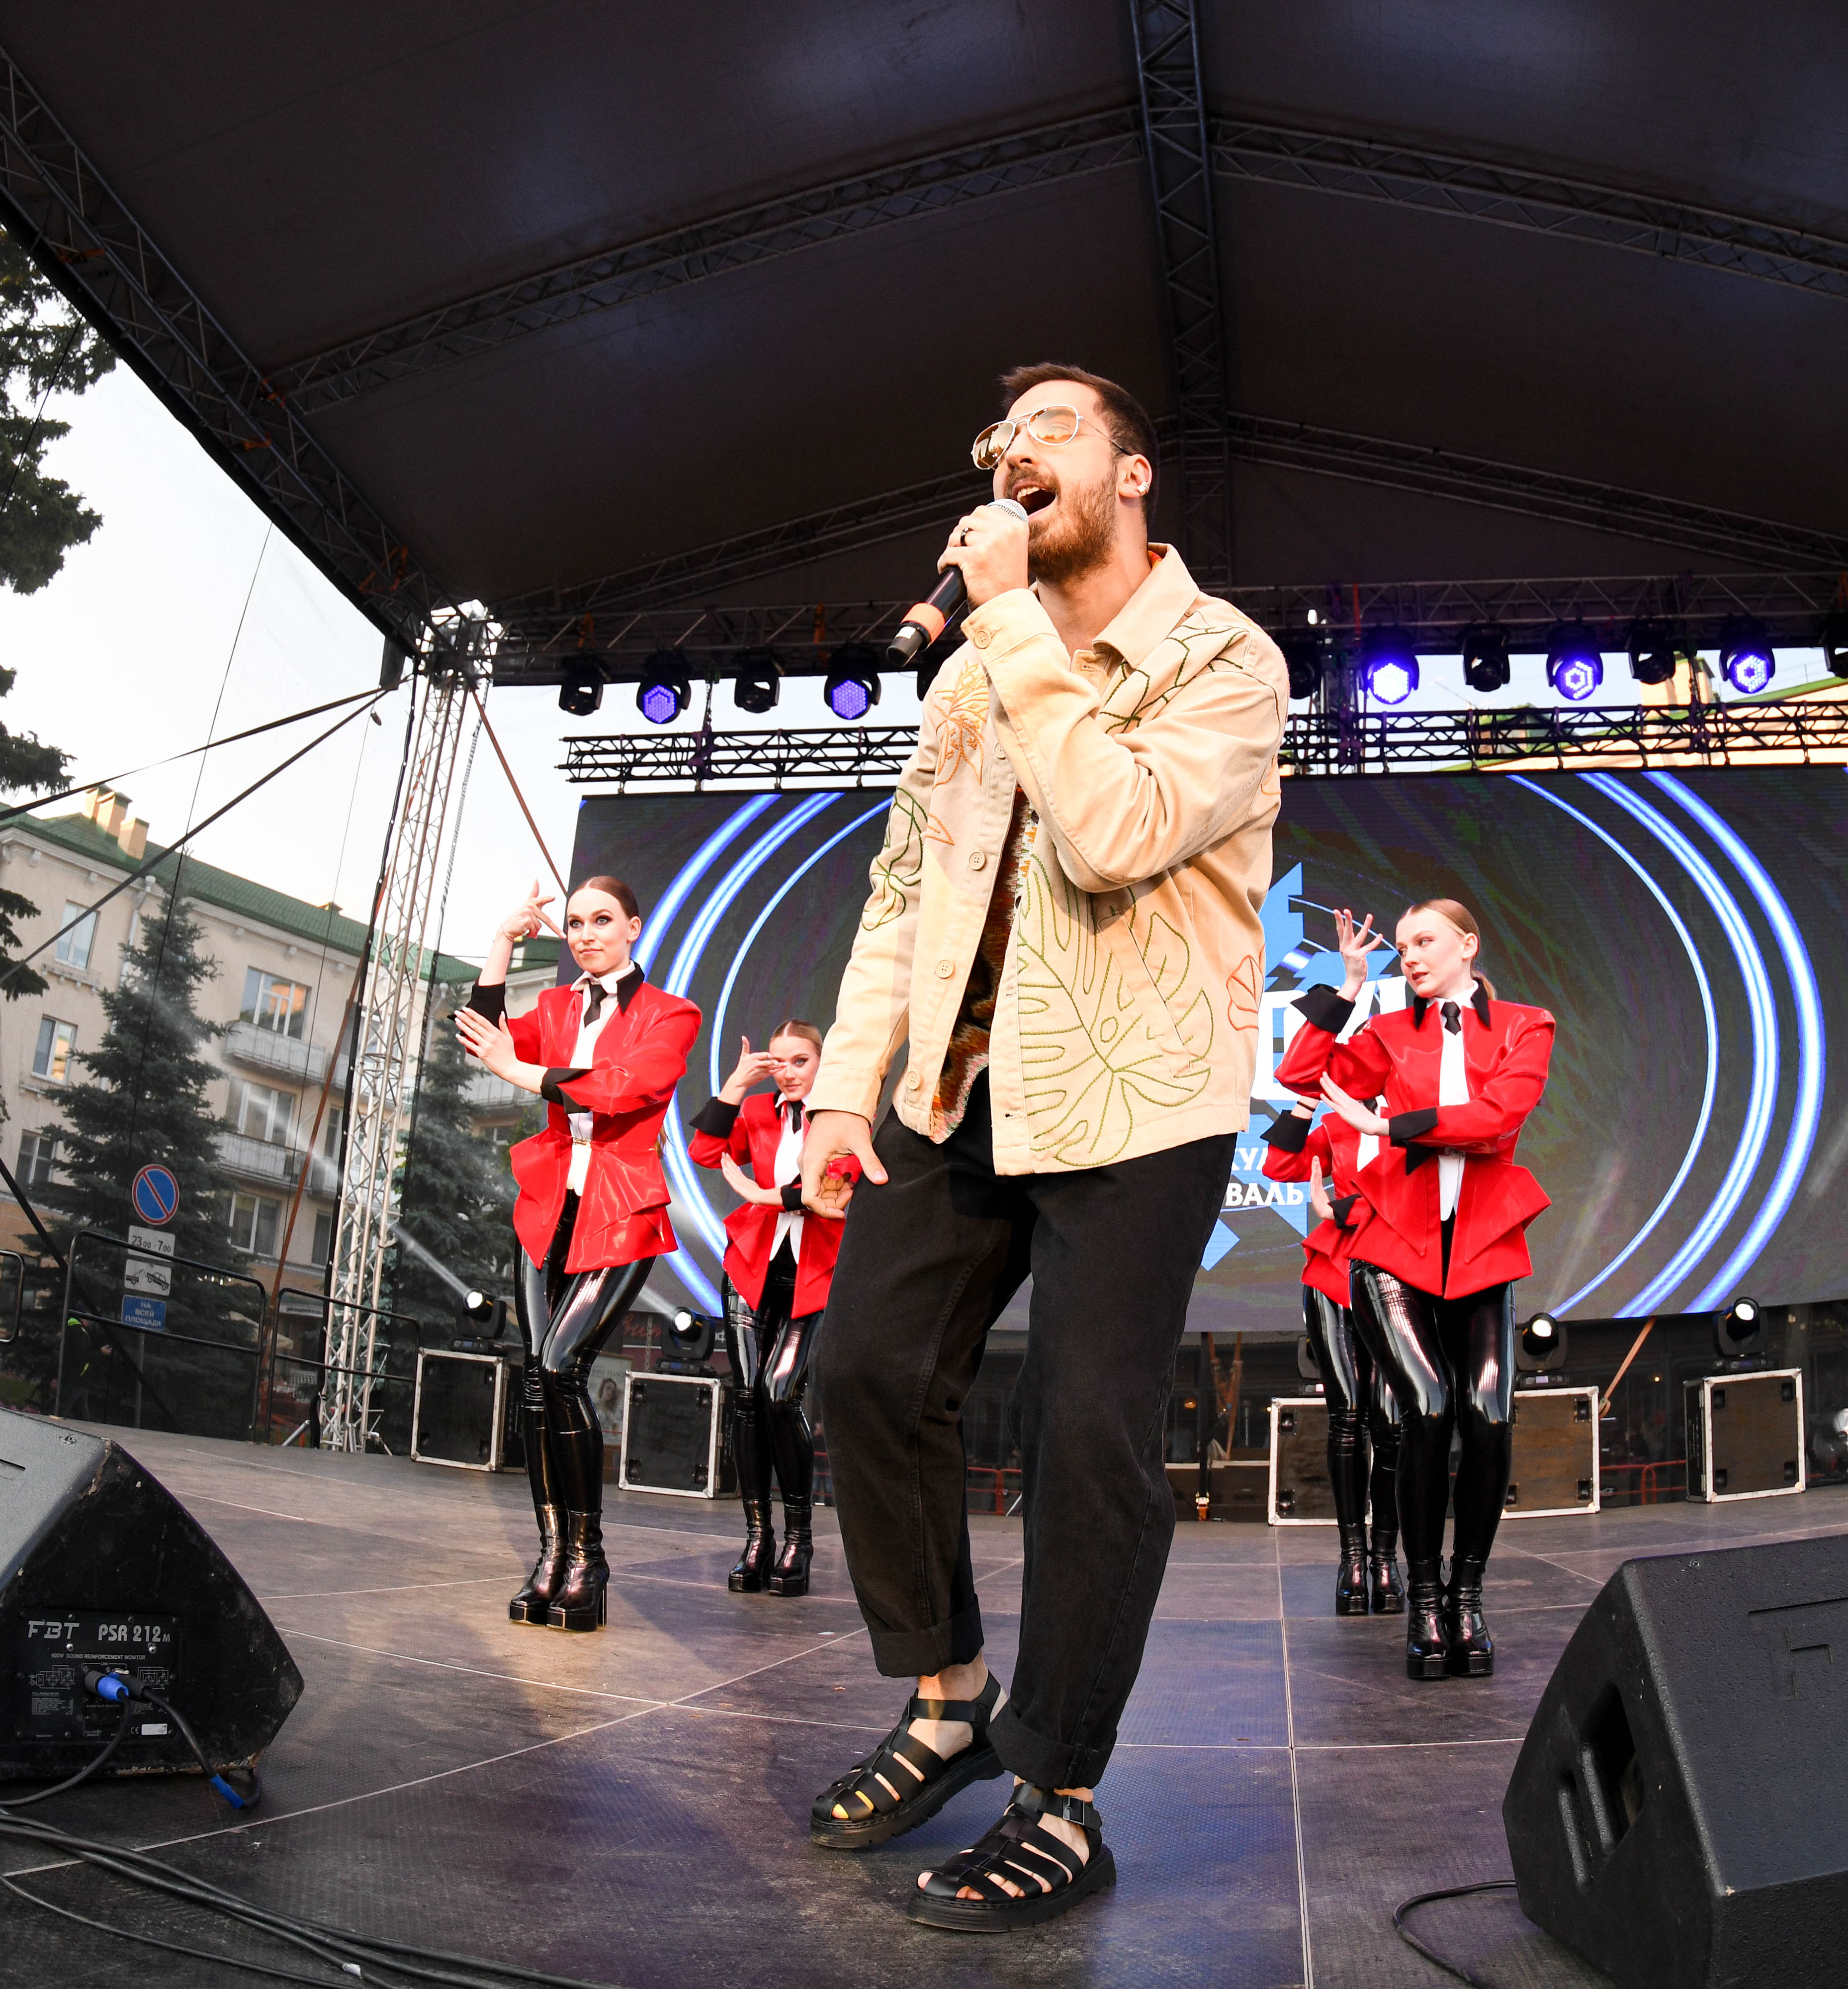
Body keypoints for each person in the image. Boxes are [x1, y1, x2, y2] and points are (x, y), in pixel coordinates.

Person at [794, 362, 1288, 1931]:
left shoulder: (1226, 658)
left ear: (1131, 474)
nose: (1017, 452)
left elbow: (1117, 832)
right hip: (957, 1084)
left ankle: (1060, 1795)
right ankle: (950, 1698)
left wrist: (1008, 625)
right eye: (1003, 438)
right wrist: (841, 1090)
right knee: (865, 1370)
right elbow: (903, 891)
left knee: (1088, 1433)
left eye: (1055, 430)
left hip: (1140, 1098)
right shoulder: (964, 683)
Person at [1278, 901, 1556, 1682]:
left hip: (1483, 1249)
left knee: (1489, 1418)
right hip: (1391, 1250)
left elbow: (1497, 1119)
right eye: (1401, 947)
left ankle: (1468, 1600)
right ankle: (1425, 1602)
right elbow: (1300, 1078)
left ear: (1469, 944)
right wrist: (1347, 986)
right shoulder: (1388, 1031)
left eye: (1424, 941)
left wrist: (1388, 1128)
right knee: (1426, 1411)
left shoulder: (1527, 1025)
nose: (1411, 956)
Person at [454, 875, 699, 1634]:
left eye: (602, 920)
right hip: (547, 1208)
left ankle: (589, 1560)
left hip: (621, 1210)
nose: (587, 934)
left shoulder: (672, 1014)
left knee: (562, 1368)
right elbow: (484, 1034)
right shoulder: (559, 1006)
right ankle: (552, 1556)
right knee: (537, 1382)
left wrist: (521, 1072)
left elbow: (623, 1089)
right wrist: (503, 943)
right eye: (576, 923)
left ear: (634, 927)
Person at [690, 1023, 849, 1599]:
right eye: (778, 1062)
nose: (787, 1071)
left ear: (822, 1061)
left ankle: (799, 1540)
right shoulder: (757, 1111)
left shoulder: (843, 1117)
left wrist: (762, 1194)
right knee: (749, 1397)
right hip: (750, 1267)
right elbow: (704, 1152)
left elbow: (832, 1194)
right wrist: (736, 1085)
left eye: (799, 1060)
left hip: (815, 1272)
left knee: (781, 1395)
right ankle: (758, 1538)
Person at [1260, 1088, 1404, 1614]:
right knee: (1347, 1415)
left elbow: (1411, 1200)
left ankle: (1385, 1559)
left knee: (1391, 1424)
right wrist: (1304, 1104)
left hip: (1394, 1278)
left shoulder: (1407, 1128)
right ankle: (1353, 1560)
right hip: (1334, 1277)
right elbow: (1278, 1166)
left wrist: (1338, 1209)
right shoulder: (1333, 1130)